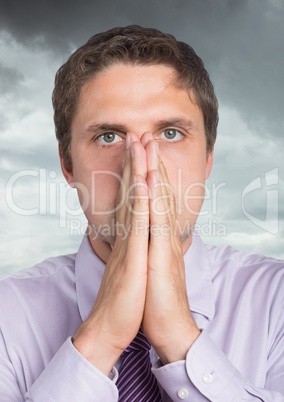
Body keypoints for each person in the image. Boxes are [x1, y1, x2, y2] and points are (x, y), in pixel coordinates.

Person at [0, 25, 283, 402]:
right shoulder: (8, 317)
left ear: (208, 158)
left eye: (169, 133)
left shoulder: (275, 301)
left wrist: (180, 339)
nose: (141, 169)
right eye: (109, 136)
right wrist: (100, 338)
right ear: (68, 164)